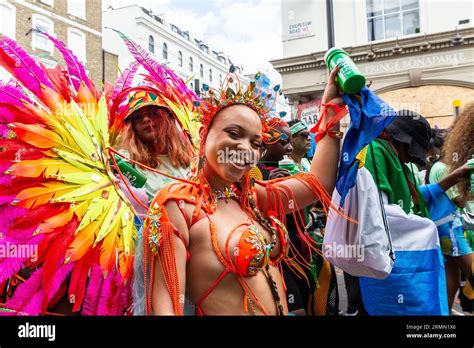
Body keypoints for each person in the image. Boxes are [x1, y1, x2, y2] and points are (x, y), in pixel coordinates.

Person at [140, 65, 345, 315]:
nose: (245, 148)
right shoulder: (178, 205)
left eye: (255, 143)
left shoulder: (251, 197)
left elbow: (318, 184)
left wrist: (331, 108)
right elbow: (166, 307)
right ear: (205, 135)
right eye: (234, 133)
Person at [434, 102, 473, 313]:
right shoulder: (442, 169)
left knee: (453, 276)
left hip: (454, 229)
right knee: (455, 276)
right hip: (454, 229)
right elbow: (454, 200)